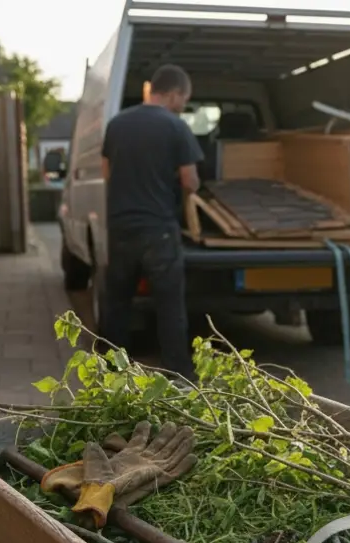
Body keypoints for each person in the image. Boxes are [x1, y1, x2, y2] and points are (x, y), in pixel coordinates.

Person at [100, 64, 204, 379]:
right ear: (173, 94)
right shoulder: (176, 127)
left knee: (117, 303)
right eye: (183, 99)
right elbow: (190, 181)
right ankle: (179, 375)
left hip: (120, 229)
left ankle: (110, 373)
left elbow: (107, 171)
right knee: (169, 307)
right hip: (158, 230)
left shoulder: (117, 124)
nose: (182, 105)